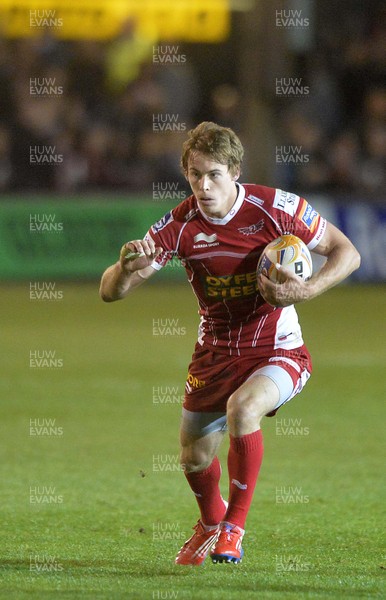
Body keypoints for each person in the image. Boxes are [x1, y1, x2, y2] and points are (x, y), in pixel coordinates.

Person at [99, 122, 360, 565]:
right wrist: (127, 268)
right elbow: (110, 292)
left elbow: (346, 252)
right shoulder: (179, 226)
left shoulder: (276, 208)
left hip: (277, 348)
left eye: (214, 173)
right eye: (196, 173)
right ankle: (210, 522)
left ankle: (233, 529)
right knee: (193, 458)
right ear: (186, 173)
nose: (204, 185)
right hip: (215, 353)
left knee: (243, 410)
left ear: (235, 171)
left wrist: (305, 290)